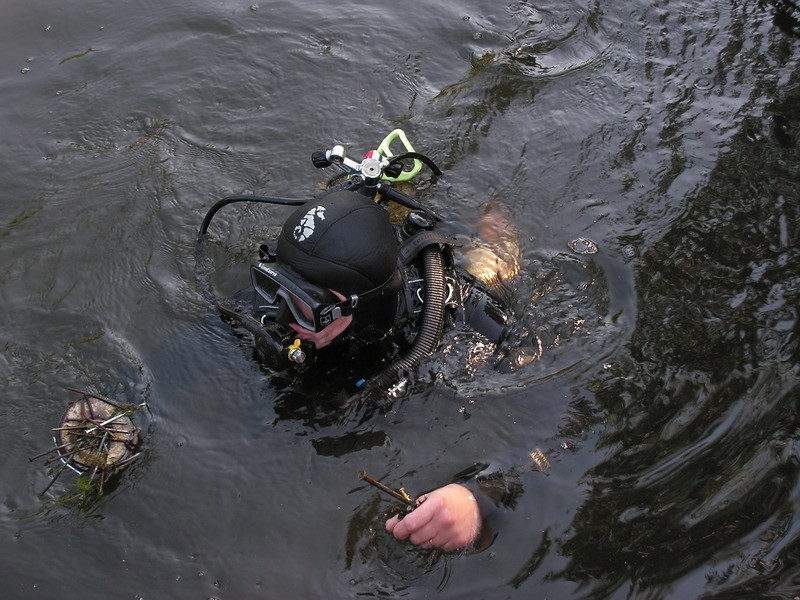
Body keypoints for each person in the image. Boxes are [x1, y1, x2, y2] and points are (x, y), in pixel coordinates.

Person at [242, 187, 521, 552]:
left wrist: (479, 499)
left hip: (450, 295)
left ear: (360, 304)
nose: (280, 315)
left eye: (308, 305)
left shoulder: (469, 318)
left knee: (490, 267)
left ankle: (494, 237)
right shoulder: (283, 296)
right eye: (277, 287)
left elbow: (552, 420)